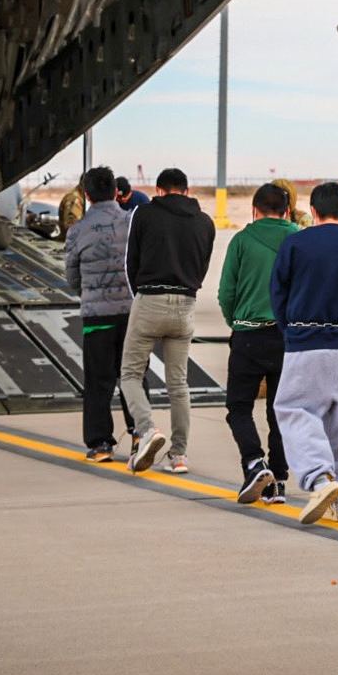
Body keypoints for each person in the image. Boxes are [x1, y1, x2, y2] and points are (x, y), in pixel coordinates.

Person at [270, 181, 338, 524]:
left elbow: (278, 295)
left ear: (312, 211)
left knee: (293, 408)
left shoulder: (295, 243)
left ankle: (319, 476)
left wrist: (291, 331)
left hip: (305, 342)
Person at [119, 168, 214, 474]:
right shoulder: (205, 222)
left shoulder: (144, 215)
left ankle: (147, 430)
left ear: (159, 191)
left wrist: (142, 295)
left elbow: (130, 262)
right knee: (179, 384)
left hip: (150, 299)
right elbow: (202, 265)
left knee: (130, 374)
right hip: (185, 303)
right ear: (186, 191)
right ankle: (179, 455)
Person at [218, 183, 299, 504]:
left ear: (254, 210)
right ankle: (278, 480)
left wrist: (236, 321)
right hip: (287, 337)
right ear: (287, 210)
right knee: (279, 411)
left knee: (238, 407)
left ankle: (254, 463)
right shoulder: (297, 239)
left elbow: (226, 293)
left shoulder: (241, 240)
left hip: (248, 334)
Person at [63, 167, 136, 461]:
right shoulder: (133, 223)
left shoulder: (78, 230)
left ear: (87, 194)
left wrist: (90, 292)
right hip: (133, 314)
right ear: (116, 192)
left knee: (98, 379)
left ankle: (100, 443)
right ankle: (140, 434)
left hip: (97, 315)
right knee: (133, 375)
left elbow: (72, 277)